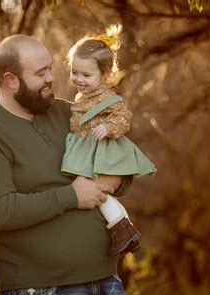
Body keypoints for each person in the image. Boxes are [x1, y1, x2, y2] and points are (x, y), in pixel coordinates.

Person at [0, 35, 133, 295]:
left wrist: (116, 179)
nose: (52, 77)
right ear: (11, 80)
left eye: (50, 68)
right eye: (41, 73)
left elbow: (117, 156)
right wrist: (71, 196)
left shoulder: (68, 112)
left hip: (106, 284)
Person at [61, 25, 156, 256]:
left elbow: (124, 118)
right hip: (89, 152)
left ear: (104, 75)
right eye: (75, 73)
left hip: (102, 153)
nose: (79, 79)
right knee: (97, 192)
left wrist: (107, 127)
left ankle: (122, 230)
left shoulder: (109, 97)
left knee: (93, 189)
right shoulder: (82, 96)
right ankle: (125, 228)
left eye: (86, 75)